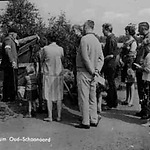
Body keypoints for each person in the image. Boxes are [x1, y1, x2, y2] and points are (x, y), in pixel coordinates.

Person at [76, 20, 104, 129]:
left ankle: (85, 121)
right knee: (93, 97)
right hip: (94, 74)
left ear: (87, 27)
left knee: (84, 97)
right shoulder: (97, 40)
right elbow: (101, 58)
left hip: (84, 72)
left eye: (84, 26)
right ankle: (94, 118)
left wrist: (92, 70)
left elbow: (85, 57)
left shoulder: (84, 39)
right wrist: (96, 71)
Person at [1, 27, 39, 102]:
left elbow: (21, 41)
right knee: (9, 81)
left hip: (11, 64)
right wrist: (12, 61)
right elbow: (7, 50)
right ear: (12, 34)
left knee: (11, 81)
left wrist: (34, 37)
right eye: (16, 34)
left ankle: (11, 97)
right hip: (9, 64)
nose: (16, 35)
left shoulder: (12, 40)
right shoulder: (8, 39)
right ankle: (8, 98)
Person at [41, 36, 64, 122]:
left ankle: (50, 116)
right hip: (58, 74)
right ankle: (59, 116)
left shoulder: (45, 48)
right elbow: (62, 58)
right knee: (58, 96)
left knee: (49, 95)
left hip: (48, 74)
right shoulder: (60, 49)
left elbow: (42, 58)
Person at [134, 22, 150, 119]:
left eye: (139, 29)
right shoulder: (144, 37)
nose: (138, 31)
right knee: (141, 89)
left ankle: (146, 111)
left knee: (145, 90)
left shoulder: (148, 38)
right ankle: (143, 109)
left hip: (145, 67)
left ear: (144, 28)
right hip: (141, 66)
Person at [102, 23, 118, 109]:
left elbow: (111, 55)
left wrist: (103, 59)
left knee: (110, 83)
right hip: (111, 64)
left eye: (103, 29)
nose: (102, 31)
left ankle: (111, 103)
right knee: (111, 83)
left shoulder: (111, 39)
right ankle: (113, 101)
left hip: (110, 64)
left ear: (107, 29)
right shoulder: (111, 38)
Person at [120, 24, 137, 107]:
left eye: (126, 31)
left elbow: (132, 54)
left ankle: (131, 100)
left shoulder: (133, 42)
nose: (125, 32)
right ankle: (127, 99)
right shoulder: (127, 41)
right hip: (125, 63)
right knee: (127, 82)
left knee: (131, 82)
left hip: (130, 63)